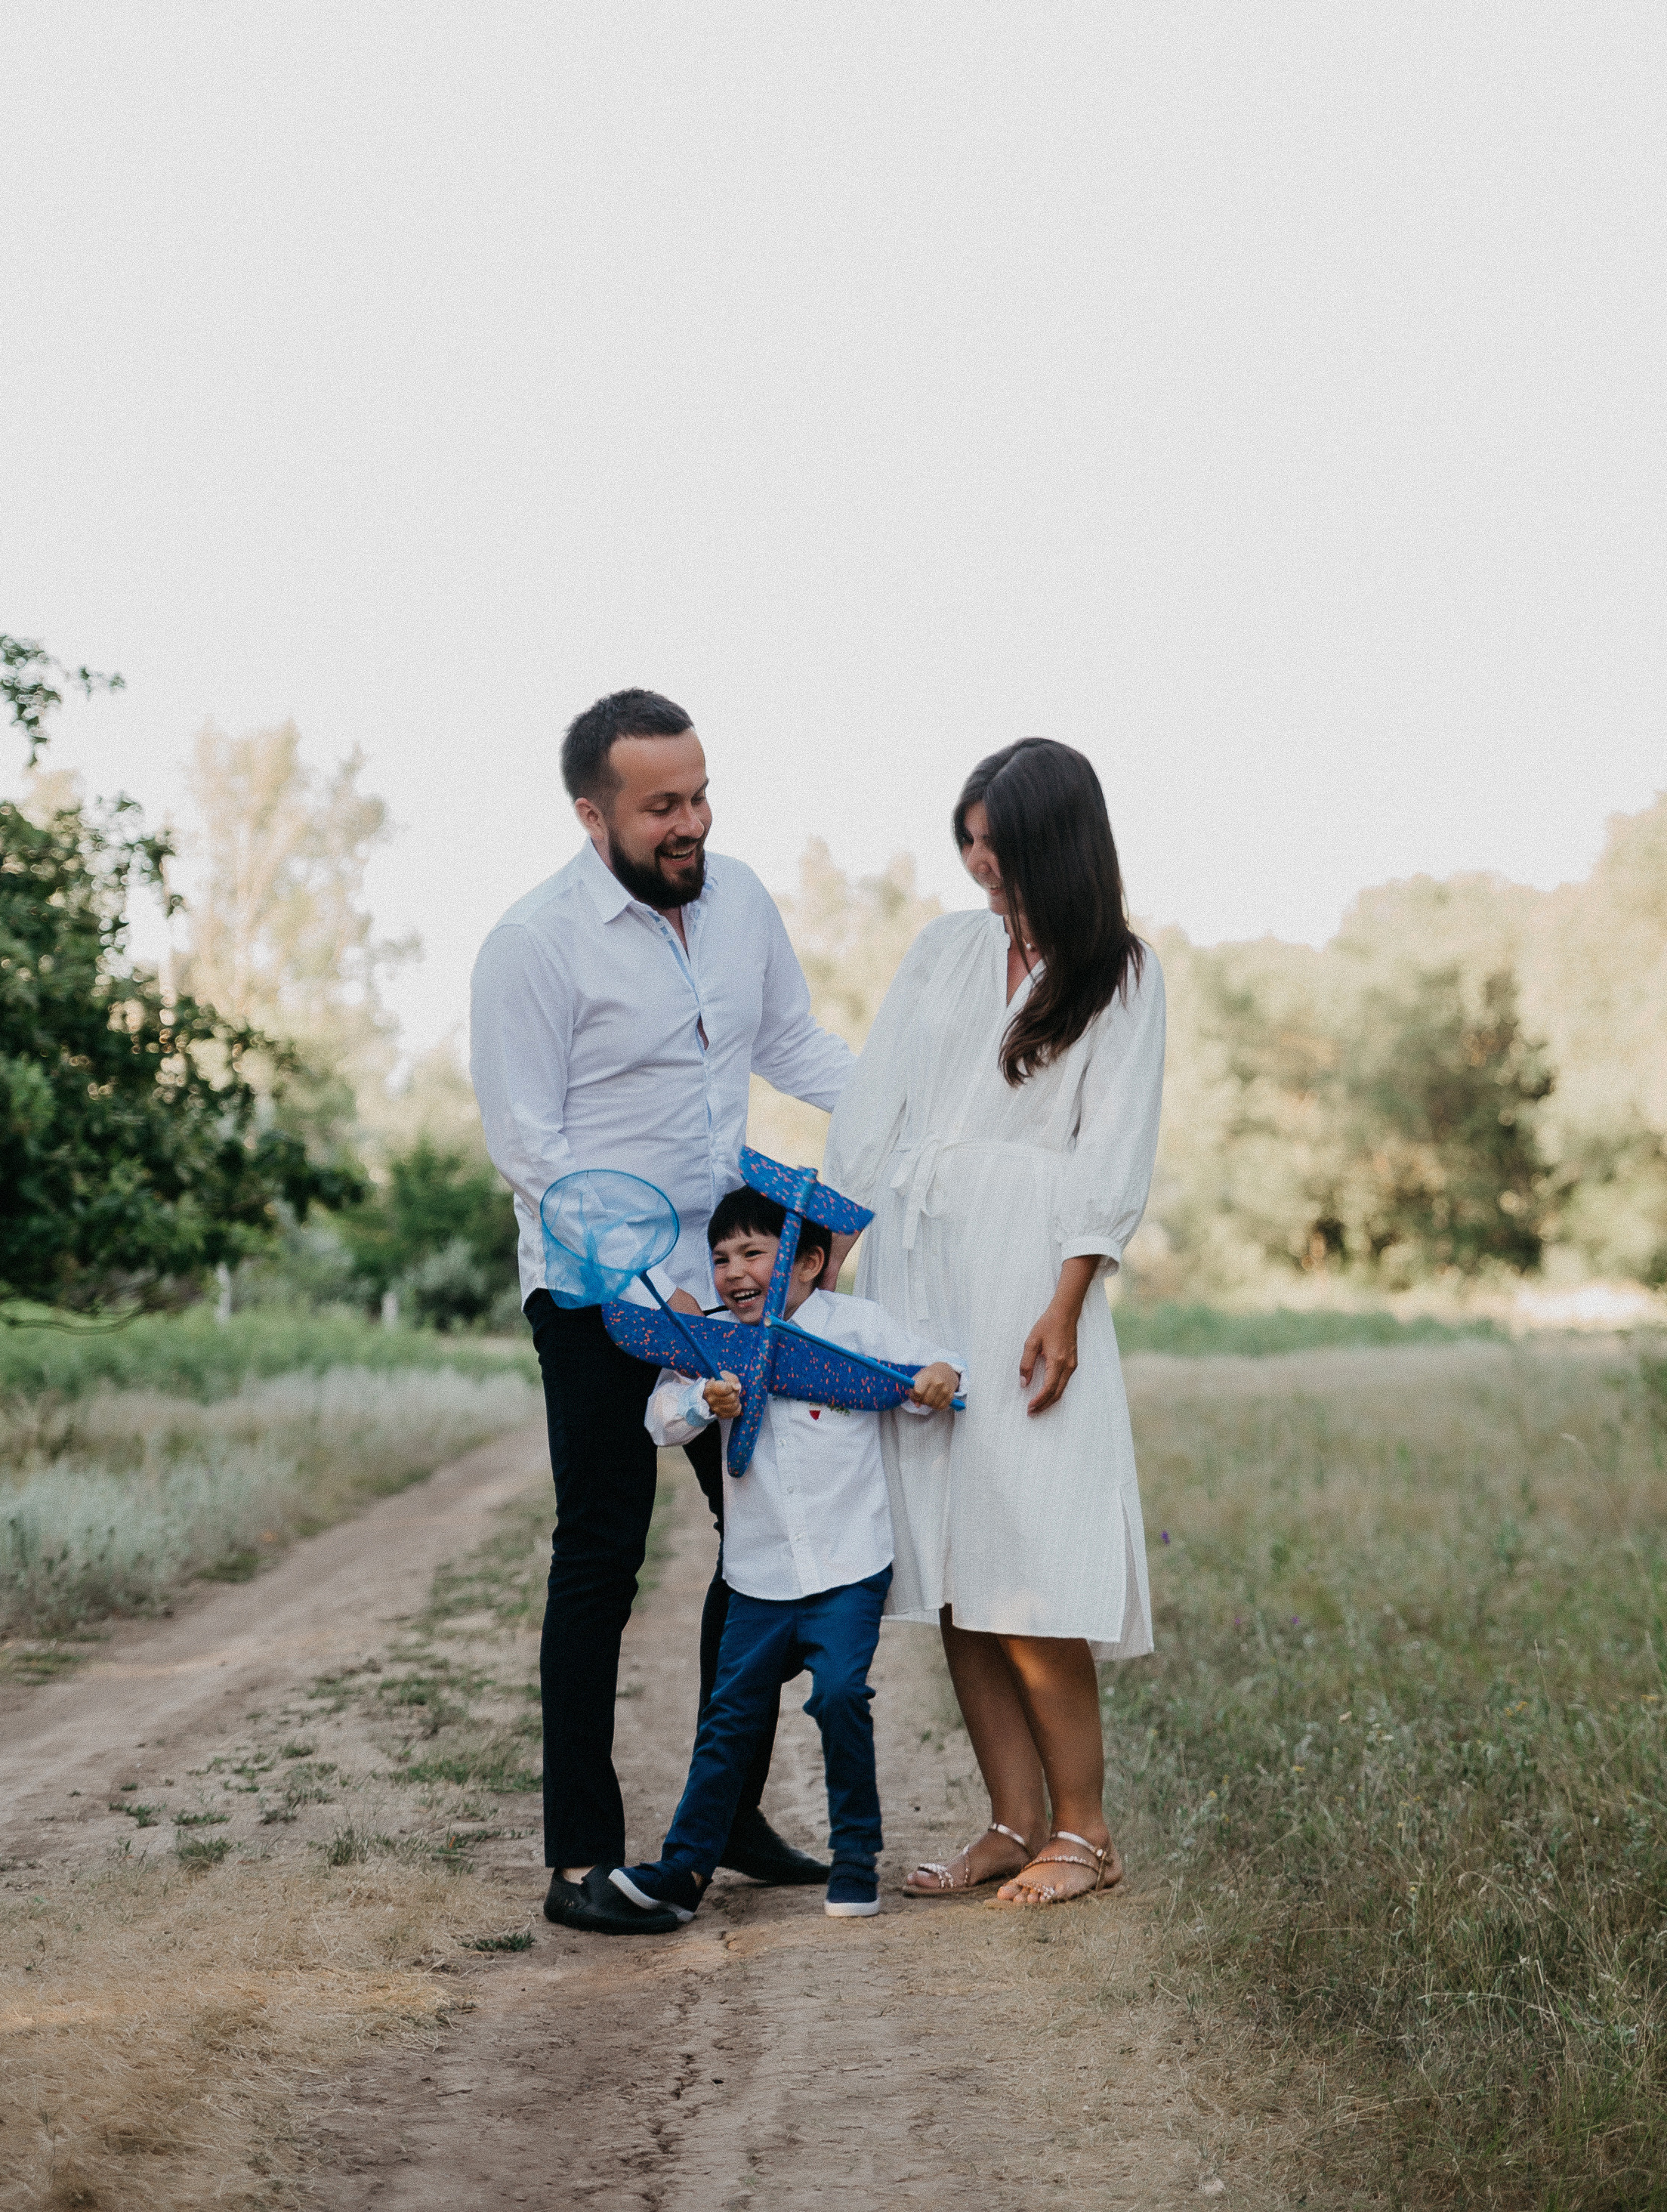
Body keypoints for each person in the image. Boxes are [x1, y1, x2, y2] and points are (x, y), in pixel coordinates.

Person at [470, 689, 855, 1936]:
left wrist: (908, 1122)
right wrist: (654, 1290)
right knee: (602, 1556)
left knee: (767, 1543)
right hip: (596, 1296)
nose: (689, 823)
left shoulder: (738, 898)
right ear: (593, 816)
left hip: (729, 1285)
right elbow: (533, 1149)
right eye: (660, 807)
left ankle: (725, 1816)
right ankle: (580, 1854)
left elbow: (795, 1044)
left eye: (698, 795)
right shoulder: (530, 946)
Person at [822, 738, 1165, 1907]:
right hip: (922, 1279)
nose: (979, 866)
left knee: (1030, 1556)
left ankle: (1087, 1832)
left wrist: (1067, 1303)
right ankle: (1014, 1821)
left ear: (1055, 847)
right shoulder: (941, 953)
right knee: (956, 1562)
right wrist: (828, 1262)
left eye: (1000, 846)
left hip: (1026, 1277)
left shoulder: (1117, 973)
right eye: (966, 841)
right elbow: (875, 1110)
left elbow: (1112, 1146)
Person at [610, 1184, 963, 1925]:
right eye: (719, 1257)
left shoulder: (853, 1327)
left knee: (838, 1693)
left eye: (752, 1252)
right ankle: (682, 1871)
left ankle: (856, 1853)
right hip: (759, 1576)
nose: (733, 1270)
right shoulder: (706, 1343)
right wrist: (708, 1401)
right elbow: (659, 1418)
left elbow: (923, 1365)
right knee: (728, 1717)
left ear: (806, 1261)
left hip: (846, 1566)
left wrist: (939, 1375)